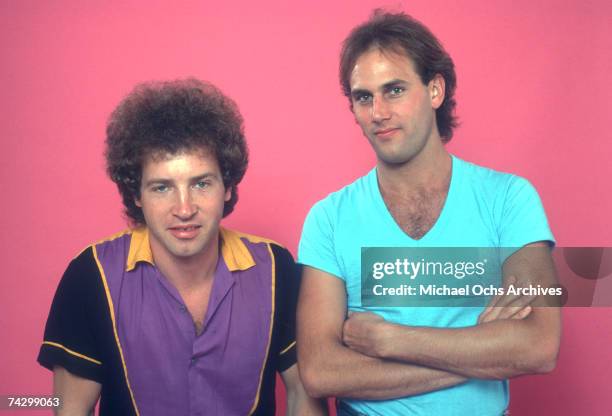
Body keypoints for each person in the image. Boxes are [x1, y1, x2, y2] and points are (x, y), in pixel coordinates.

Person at [297, 10, 561, 416]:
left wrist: (392, 340)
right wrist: (483, 354)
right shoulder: (327, 219)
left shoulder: (510, 199)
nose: (378, 112)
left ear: (435, 90)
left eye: (395, 90)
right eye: (363, 97)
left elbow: (539, 345)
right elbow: (320, 371)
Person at [38, 79, 325, 415]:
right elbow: (70, 409)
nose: (184, 208)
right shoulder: (91, 275)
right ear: (136, 195)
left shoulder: (276, 268)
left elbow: (303, 394)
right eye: (162, 188)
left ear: (228, 186)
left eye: (201, 183)